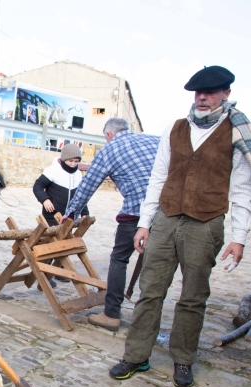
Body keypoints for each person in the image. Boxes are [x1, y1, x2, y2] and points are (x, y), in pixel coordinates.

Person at [109, 66, 251, 387]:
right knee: (149, 290)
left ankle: (183, 359)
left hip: (206, 224)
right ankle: (136, 355)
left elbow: (243, 190)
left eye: (210, 92)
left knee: (193, 296)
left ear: (226, 94)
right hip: (166, 219)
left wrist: (239, 237)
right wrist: (144, 224)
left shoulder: (236, 132)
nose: (203, 98)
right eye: (198, 93)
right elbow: (157, 177)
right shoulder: (175, 128)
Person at [60, 118, 160, 331]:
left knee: (119, 259)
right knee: (159, 264)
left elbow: (88, 185)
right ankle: (150, 320)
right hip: (168, 212)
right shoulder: (155, 140)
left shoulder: (109, 150)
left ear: (109, 135)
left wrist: (71, 213)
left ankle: (111, 314)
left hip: (136, 212)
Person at [33, 143, 88, 286]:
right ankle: (45, 274)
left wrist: (85, 212)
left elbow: (80, 196)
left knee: (65, 243)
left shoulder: (77, 174)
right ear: (64, 159)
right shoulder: (53, 171)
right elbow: (37, 186)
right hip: (52, 215)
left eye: (76, 161)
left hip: (68, 217)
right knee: (53, 243)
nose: (73, 164)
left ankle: (59, 270)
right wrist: (44, 200)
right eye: (70, 161)